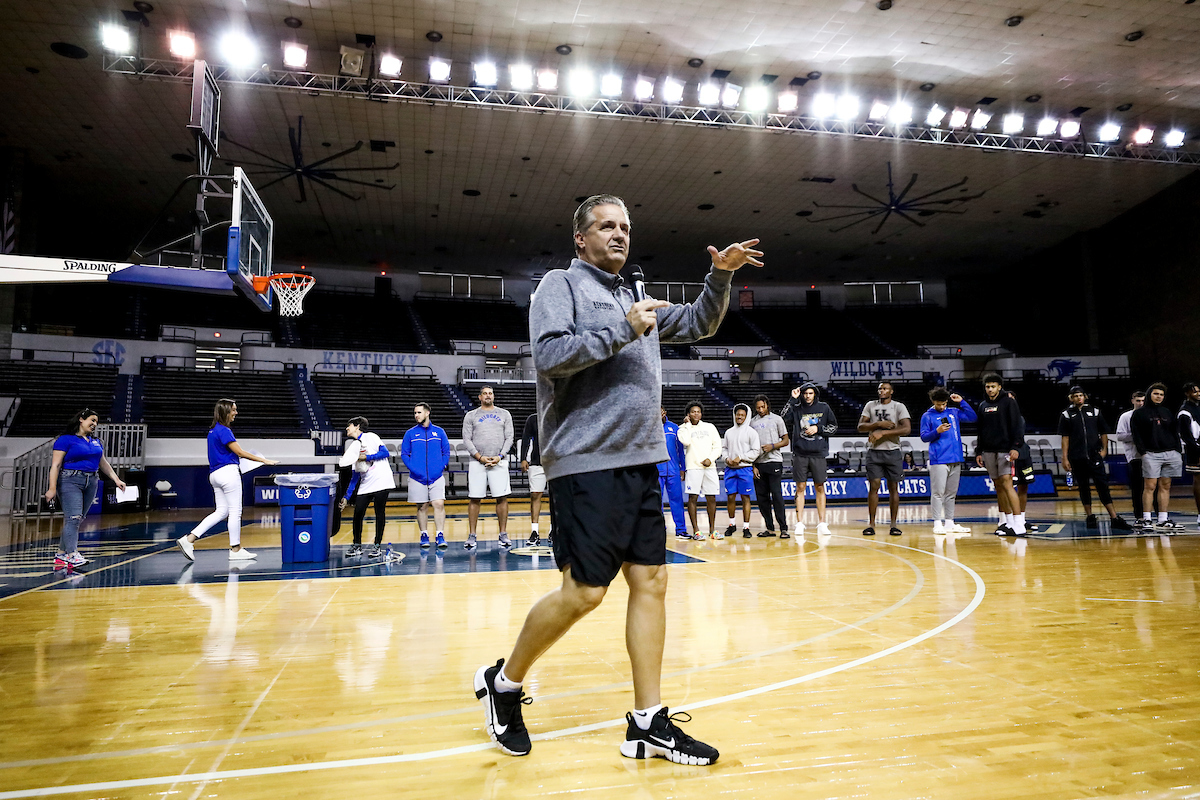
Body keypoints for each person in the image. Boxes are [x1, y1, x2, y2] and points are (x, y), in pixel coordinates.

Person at [473, 193, 761, 765]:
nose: (619, 235)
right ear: (581, 238)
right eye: (607, 227)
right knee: (584, 593)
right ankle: (504, 683)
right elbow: (550, 356)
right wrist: (622, 330)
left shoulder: (636, 298)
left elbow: (701, 321)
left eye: (626, 227)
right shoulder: (560, 286)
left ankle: (647, 722)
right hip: (585, 460)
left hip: (640, 460)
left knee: (651, 582)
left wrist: (718, 275)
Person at [177, 399, 279, 561]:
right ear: (225, 411)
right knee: (235, 512)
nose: (236, 413)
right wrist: (264, 460)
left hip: (215, 475)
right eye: (233, 410)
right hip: (228, 474)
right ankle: (236, 549)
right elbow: (240, 452)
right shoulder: (224, 431)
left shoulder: (212, 432)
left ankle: (189, 539)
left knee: (221, 511)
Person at [43, 408, 128, 568]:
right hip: (70, 480)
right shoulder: (65, 439)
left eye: (96, 422)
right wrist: (52, 488)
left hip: (92, 480)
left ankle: (61, 555)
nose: (95, 424)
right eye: (92, 420)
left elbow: (103, 463)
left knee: (77, 519)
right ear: (81, 419)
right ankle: (72, 555)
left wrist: (116, 479)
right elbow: (55, 465)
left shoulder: (96, 441)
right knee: (73, 518)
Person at [1057, 386, 1131, 530]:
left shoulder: (1095, 412)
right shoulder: (1066, 415)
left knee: (1102, 486)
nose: (1078, 398)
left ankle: (1114, 517)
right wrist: (1065, 458)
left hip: (1094, 456)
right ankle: (1090, 516)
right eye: (1075, 396)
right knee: (1083, 487)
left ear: (1085, 397)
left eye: (1080, 395)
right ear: (1071, 398)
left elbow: (1104, 432)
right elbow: (1065, 438)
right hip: (1077, 457)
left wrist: (1104, 450)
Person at [781, 381, 837, 537]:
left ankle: (822, 523)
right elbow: (783, 418)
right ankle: (799, 523)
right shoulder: (797, 408)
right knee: (800, 488)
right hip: (800, 453)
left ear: (815, 394)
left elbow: (833, 427)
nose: (807, 396)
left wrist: (818, 428)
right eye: (805, 393)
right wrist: (792, 399)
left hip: (818, 453)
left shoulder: (824, 408)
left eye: (810, 393)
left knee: (820, 487)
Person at [462, 385, 514, 550]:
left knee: (502, 497)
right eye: (484, 393)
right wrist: (479, 456)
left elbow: (510, 437)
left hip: (499, 461)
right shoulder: (471, 415)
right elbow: (467, 439)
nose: (488, 396)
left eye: (490, 393)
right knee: (475, 498)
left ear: (493, 396)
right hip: (477, 462)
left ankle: (503, 534)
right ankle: (472, 535)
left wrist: (500, 456)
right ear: (479, 397)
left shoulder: (504, 414)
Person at [857, 380, 911, 536]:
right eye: (880, 388)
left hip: (892, 451)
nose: (882, 391)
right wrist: (878, 424)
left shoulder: (898, 406)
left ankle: (893, 525)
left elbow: (906, 428)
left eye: (885, 388)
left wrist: (883, 433)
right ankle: (871, 524)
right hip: (874, 452)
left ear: (891, 391)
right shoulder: (870, 405)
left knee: (893, 488)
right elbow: (860, 427)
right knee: (874, 486)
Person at [974, 374, 1025, 536]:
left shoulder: (1009, 402)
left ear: (999, 387)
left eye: (993, 386)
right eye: (988, 386)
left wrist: (1016, 447)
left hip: (1005, 449)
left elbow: (1017, 426)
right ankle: (1007, 522)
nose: (990, 389)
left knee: (1006, 482)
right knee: (998, 486)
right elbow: (980, 431)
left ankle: (1019, 523)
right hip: (988, 450)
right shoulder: (982, 405)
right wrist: (979, 451)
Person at [919, 388, 975, 534]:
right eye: (939, 404)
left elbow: (972, 417)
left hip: (955, 458)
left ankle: (949, 522)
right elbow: (924, 437)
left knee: (951, 493)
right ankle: (937, 523)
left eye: (944, 404)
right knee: (938, 493)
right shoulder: (927, 416)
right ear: (933, 402)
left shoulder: (953, 412)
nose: (942, 407)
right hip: (939, 459)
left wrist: (962, 402)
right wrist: (936, 431)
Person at [339, 416, 396, 558]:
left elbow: (385, 453)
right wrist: (346, 497)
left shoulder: (371, 437)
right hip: (366, 483)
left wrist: (367, 457)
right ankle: (357, 545)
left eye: (349, 425)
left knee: (379, 512)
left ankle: (377, 546)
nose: (347, 428)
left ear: (357, 426)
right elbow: (355, 476)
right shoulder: (353, 447)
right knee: (358, 513)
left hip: (381, 480)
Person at [1131, 382, 1183, 530]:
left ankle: (1162, 519)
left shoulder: (1167, 412)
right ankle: (1146, 519)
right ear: (1149, 394)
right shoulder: (1139, 413)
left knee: (1165, 486)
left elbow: (1174, 432)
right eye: (1156, 394)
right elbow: (1136, 435)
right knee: (1150, 486)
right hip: (1151, 454)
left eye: (1161, 394)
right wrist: (1144, 452)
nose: (1159, 397)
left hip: (1170, 452)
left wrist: (1177, 450)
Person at [401, 403, 450, 549]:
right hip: (417, 477)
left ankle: (440, 534)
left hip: (436, 476)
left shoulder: (439, 432)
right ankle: (424, 534)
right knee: (422, 506)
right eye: (415, 413)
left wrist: (440, 467)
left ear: (427, 413)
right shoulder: (410, 433)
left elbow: (446, 452)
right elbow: (404, 454)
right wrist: (415, 470)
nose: (416, 415)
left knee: (438, 504)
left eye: (419, 412)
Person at [678, 401, 722, 538]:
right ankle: (696, 531)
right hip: (693, 467)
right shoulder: (683, 428)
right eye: (693, 412)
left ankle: (712, 530)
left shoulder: (710, 427)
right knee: (693, 497)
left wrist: (711, 458)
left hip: (710, 467)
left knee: (711, 497)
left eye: (698, 411)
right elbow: (685, 442)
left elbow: (718, 446)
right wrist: (687, 425)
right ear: (688, 414)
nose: (696, 414)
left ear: (701, 413)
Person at [748, 395, 789, 538]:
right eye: (758, 407)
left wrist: (772, 446)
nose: (760, 410)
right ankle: (770, 528)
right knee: (762, 498)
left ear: (767, 405)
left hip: (774, 462)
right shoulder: (751, 423)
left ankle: (784, 528)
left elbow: (785, 440)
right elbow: (749, 446)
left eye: (762, 407)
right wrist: (753, 465)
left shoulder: (777, 419)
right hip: (759, 464)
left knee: (777, 496)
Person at [1117, 390, 1157, 527]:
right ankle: (1139, 516)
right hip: (1135, 456)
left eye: (1143, 401)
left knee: (1154, 487)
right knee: (1138, 487)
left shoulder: (1151, 414)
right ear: (1133, 400)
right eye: (1138, 400)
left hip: (1152, 456)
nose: (1140, 403)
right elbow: (1120, 436)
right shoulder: (1126, 416)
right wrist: (1138, 436)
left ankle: (1158, 515)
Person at [721, 404, 761, 539]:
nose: (739, 417)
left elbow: (756, 451)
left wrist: (741, 457)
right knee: (730, 497)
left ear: (746, 416)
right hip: (730, 469)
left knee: (745, 498)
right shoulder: (728, 432)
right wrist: (727, 459)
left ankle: (746, 527)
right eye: (737, 414)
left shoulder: (751, 433)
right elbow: (724, 449)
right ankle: (732, 524)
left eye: (742, 415)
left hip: (745, 469)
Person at [658, 406, 690, 539]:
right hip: (656, 471)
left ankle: (681, 529)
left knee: (677, 500)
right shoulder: (650, 428)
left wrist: (682, 468)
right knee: (656, 502)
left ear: (664, 412)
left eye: (660, 411)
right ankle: (659, 529)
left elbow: (680, 450)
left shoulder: (674, 428)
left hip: (673, 471)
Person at [520, 412, 549, 546]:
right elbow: (526, 438)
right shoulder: (533, 418)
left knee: (557, 497)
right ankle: (534, 532)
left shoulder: (560, 413)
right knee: (535, 495)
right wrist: (523, 458)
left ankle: (554, 531)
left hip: (556, 462)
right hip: (537, 462)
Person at [1178, 381, 1200, 529]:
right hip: (1196, 451)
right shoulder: (1184, 412)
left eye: (1199, 391)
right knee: (1198, 480)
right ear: (1187, 393)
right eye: (1194, 391)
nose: (1198, 394)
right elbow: (1186, 436)